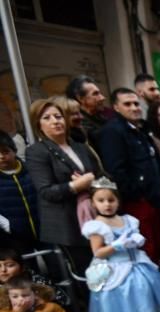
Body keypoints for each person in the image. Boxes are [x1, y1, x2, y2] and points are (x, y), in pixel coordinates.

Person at [81, 177, 160, 312]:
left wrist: (136, 241)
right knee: (130, 298)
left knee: (147, 291)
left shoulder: (128, 220)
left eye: (111, 200)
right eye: (101, 201)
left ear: (118, 200)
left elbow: (137, 242)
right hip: (117, 268)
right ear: (93, 204)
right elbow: (98, 252)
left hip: (138, 264)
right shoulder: (96, 226)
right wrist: (116, 246)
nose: (107, 204)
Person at [23, 98, 100, 278]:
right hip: (67, 224)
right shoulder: (37, 152)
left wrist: (93, 183)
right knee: (88, 274)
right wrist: (76, 185)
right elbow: (46, 191)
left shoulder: (79, 146)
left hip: (93, 214)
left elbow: (99, 174)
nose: (55, 121)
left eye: (58, 116)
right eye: (47, 118)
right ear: (38, 125)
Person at [97, 88, 160, 262]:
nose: (134, 107)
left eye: (136, 103)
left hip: (151, 198)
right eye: (127, 104)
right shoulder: (112, 131)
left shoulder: (138, 128)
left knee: (154, 243)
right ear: (116, 107)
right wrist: (137, 193)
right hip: (136, 201)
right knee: (145, 247)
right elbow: (116, 169)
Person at [0, 130, 40, 252]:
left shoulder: (32, 170)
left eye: (5, 151)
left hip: (44, 230)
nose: (1, 157)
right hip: (15, 237)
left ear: (14, 151)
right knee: (27, 268)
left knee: (56, 263)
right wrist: (8, 226)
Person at [66, 75, 109, 145]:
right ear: (80, 98)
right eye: (95, 94)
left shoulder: (101, 118)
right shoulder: (78, 126)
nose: (102, 98)